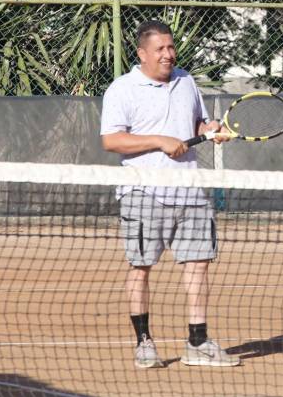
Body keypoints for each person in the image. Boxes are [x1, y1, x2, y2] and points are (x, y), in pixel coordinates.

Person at [100, 20, 239, 368]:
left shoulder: (186, 81)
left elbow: (197, 124)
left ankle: (198, 342)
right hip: (142, 191)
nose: (168, 54)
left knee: (198, 265)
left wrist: (210, 129)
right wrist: (158, 140)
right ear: (142, 53)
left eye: (171, 47)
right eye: (160, 49)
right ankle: (144, 343)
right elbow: (112, 140)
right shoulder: (122, 89)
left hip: (189, 190)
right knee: (141, 267)